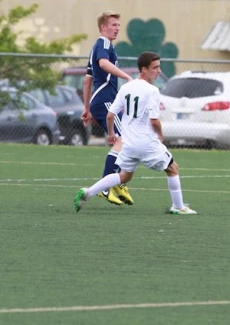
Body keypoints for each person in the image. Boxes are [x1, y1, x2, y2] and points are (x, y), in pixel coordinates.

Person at [74, 51, 197, 215]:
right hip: (146, 143)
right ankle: (178, 206)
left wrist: (111, 134)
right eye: (155, 67)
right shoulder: (152, 90)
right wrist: (160, 135)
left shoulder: (125, 87)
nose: (158, 71)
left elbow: (110, 115)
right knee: (173, 168)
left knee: (124, 176)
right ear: (144, 69)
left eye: (159, 67)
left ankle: (88, 192)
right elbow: (154, 121)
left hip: (128, 143)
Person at [80, 11, 134, 206]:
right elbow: (103, 64)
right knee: (122, 139)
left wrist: (86, 109)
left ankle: (117, 182)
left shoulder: (97, 47)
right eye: (113, 25)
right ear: (103, 27)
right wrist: (127, 76)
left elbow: (87, 81)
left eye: (119, 25)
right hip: (105, 100)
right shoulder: (103, 43)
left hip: (99, 101)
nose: (117, 28)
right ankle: (107, 185)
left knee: (123, 140)